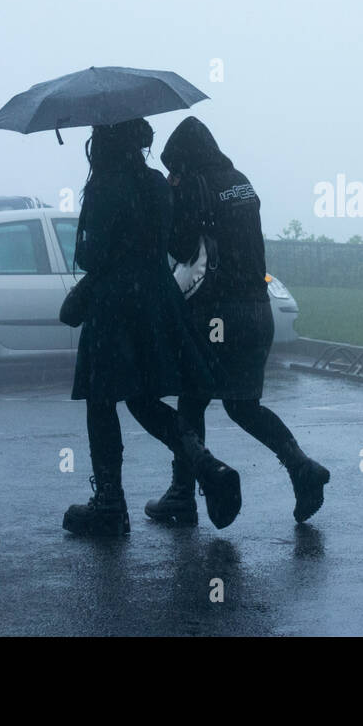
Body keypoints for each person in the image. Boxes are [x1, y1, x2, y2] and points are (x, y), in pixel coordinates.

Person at [144, 116, 330, 527]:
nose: (173, 173)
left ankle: (183, 494)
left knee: (192, 400)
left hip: (216, 311)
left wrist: (174, 198)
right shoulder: (240, 181)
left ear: (186, 161)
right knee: (244, 405)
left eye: (175, 166)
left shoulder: (196, 185)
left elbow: (180, 246)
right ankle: (302, 467)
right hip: (255, 308)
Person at [63, 118, 237, 537]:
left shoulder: (104, 186)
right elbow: (173, 243)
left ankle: (109, 504)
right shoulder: (158, 183)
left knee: (101, 401)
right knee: (142, 399)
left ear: (102, 141)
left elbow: (91, 256)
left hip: (113, 304)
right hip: (157, 298)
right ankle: (207, 467)